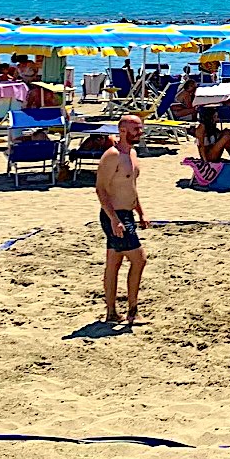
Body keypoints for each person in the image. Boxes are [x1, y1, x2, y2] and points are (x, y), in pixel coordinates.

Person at [94, 113, 146, 326]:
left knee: (114, 263)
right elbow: (101, 190)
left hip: (128, 214)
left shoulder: (132, 154)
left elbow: (131, 187)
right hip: (115, 216)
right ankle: (132, 311)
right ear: (123, 131)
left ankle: (111, 313)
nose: (140, 133)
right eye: (136, 129)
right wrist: (114, 219)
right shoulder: (112, 155)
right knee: (139, 260)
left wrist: (141, 212)